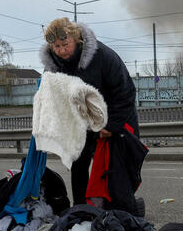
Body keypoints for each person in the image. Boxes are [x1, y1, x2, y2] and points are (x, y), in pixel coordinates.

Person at [40, 17, 138, 206]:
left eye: (65, 44)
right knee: (79, 165)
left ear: (76, 39)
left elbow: (125, 92)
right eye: (56, 46)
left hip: (114, 116)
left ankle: (121, 208)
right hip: (81, 122)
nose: (61, 51)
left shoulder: (103, 56)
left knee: (116, 170)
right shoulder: (53, 66)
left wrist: (111, 125)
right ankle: (81, 209)